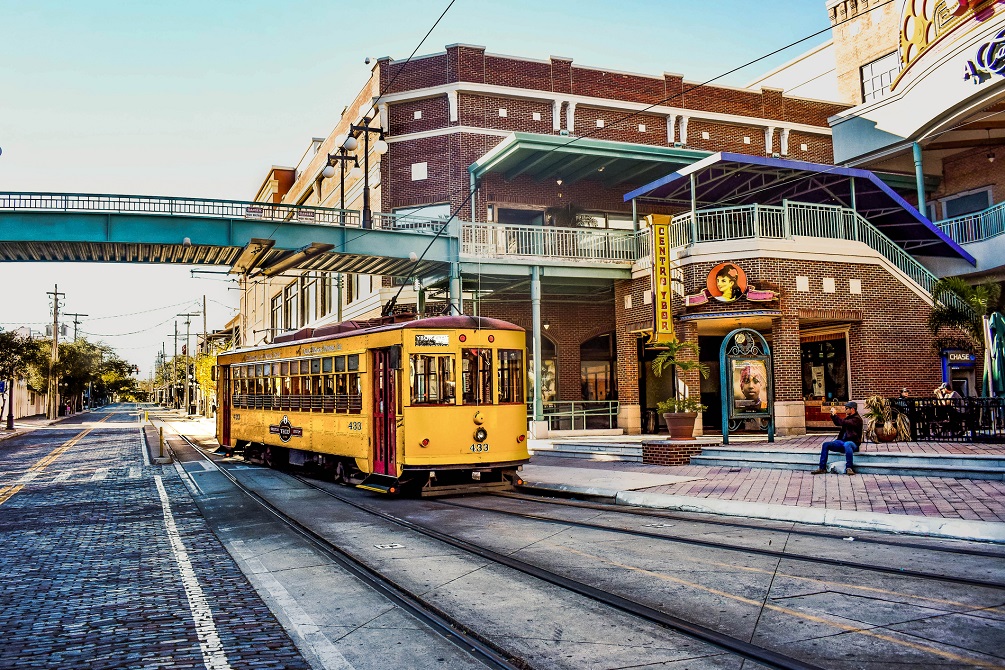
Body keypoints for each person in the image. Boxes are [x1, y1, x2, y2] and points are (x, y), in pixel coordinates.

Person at [811, 401, 863, 476]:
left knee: (847, 444)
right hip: (842, 442)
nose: (845, 410)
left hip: (853, 443)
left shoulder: (857, 419)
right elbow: (838, 423)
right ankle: (822, 468)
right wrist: (833, 415)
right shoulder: (848, 418)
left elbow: (843, 422)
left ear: (852, 409)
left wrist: (835, 415)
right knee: (826, 444)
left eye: (846, 408)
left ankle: (849, 468)